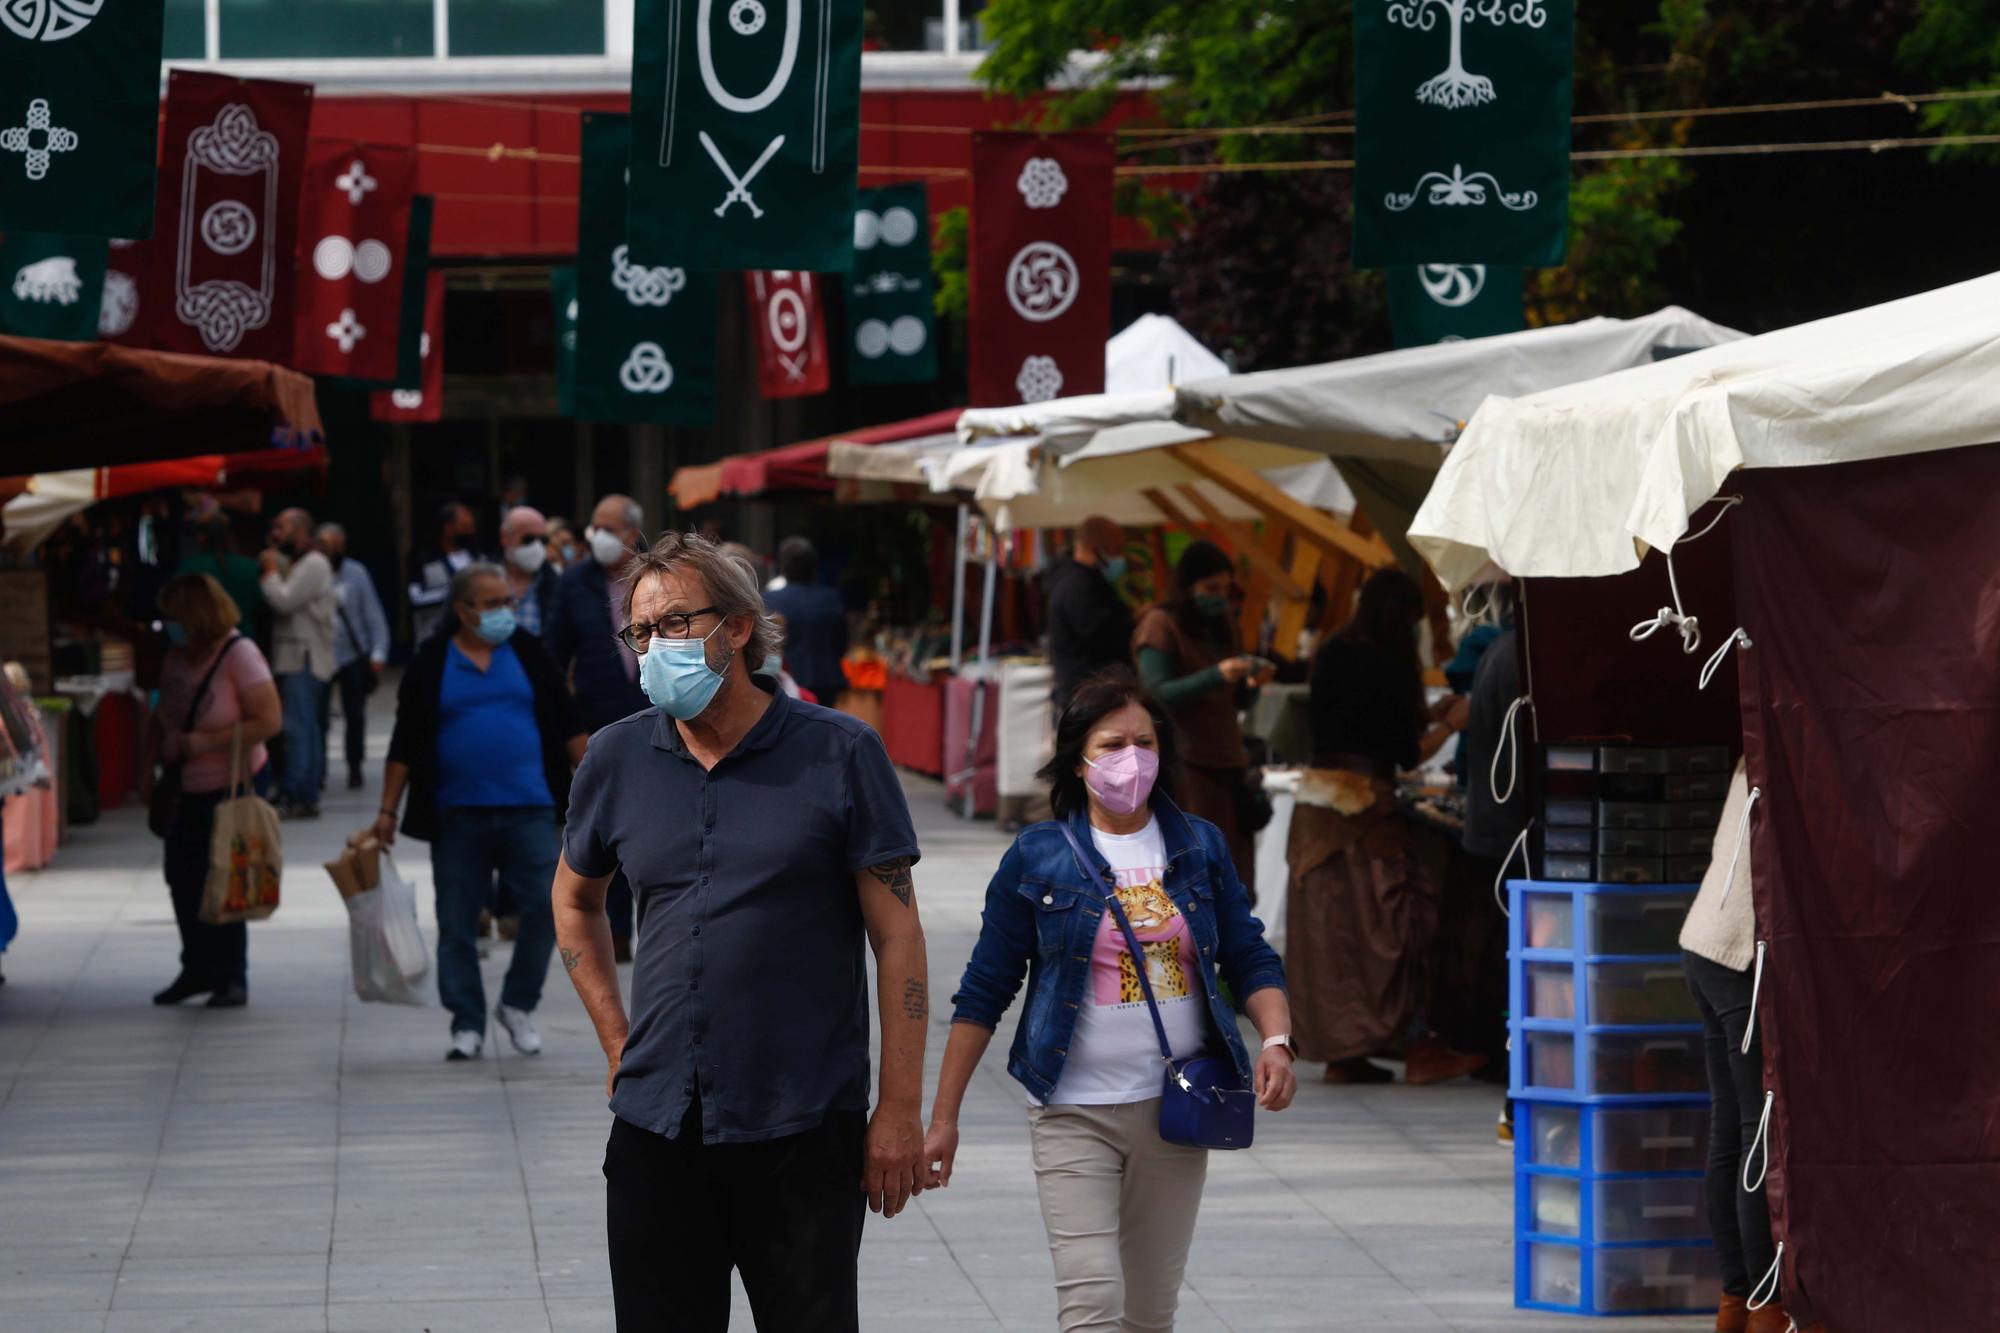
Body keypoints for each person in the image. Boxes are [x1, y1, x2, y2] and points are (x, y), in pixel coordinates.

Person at [550, 531, 929, 1331]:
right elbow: (574, 898)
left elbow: (897, 936)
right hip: (657, 1122)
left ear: (740, 627)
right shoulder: (617, 757)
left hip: (801, 1124)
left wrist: (897, 1106)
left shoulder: (839, 752)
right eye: (641, 632)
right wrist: (618, 1041)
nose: (654, 648)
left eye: (674, 624)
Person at [929, 669, 1296, 1332]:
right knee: (1093, 1303)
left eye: (1145, 741)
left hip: (1178, 1109)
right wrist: (944, 1117)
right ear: (1080, 757)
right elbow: (985, 988)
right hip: (1073, 1111)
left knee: (1150, 1313)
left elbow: (1249, 954)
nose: (1132, 758)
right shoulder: (1037, 857)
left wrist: (1275, 1039)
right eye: (1113, 743)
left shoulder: (1200, 846)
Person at [375, 564, 587, 1061]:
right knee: (457, 922)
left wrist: (603, 783)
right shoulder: (432, 661)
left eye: (507, 603)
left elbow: (568, 722)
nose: (503, 613)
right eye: (492, 604)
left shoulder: (530, 652)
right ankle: (466, 1021)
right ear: (463, 610)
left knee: (546, 906)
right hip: (457, 813)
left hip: (530, 807)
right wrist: (387, 810)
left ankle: (517, 1002)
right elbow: (404, 741)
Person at [1288, 567, 1470, 1085]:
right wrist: (1451, 725)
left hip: (1316, 808)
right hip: (1365, 811)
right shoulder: (1384, 658)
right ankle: (1411, 1046)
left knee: (1335, 940)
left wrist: (1426, 716)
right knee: (1392, 930)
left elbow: (1361, 722)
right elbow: (1404, 752)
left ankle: (1346, 1052)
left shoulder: (1336, 648)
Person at [1681, 766, 1803, 1333]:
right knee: (1757, 1135)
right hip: (1738, 955)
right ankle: (1766, 1309)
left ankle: (1736, 1306)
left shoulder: (1758, 737)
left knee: (1731, 1132)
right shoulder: (1793, 734)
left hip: (1706, 940)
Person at [148, 574, 282, 1009]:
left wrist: (208, 742)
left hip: (231, 782)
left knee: (225, 875)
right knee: (182, 877)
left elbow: (269, 720)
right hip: (183, 783)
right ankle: (196, 967)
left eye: (175, 618)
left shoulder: (238, 655)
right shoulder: (177, 656)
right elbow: (163, 712)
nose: (169, 626)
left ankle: (231, 975)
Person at [1131, 540, 1273, 894]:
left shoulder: (1223, 625)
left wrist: (1250, 683)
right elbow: (1156, 694)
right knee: (1192, 869)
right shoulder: (1160, 625)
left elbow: (1231, 700)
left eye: (1225, 589)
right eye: (1211, 588)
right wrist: (1217, 675)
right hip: (1185, 763)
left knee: (1231, 873)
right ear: (1187, 585)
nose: (1219, 597)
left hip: (1228, 761)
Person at [544, 493, 650, 959]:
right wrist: (570, 730)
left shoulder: (654, 578)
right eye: (595, 527)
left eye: (607, 528)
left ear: (632, 533)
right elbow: (554, 658)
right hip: (595, 724)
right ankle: (611, 927)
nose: (597, 536)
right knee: (605, 825)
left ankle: (638, 926)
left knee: (648, 823)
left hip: (654, 716)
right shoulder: (574, 584)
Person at [259, 509, 339, 820]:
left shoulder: (314, 563)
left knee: (299, 728)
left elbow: (284, 598)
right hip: (298, 655)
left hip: (303, 658)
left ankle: (296, 792)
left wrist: (268, 572)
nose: (276, 532)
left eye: (282, 526)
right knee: (307, 727)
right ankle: (304, 791)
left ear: (301, 530)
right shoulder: (303, 561)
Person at [318, 523, 390, 792]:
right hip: (321, 654)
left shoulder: (357, 573)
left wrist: (378, 650)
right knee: (318, 715)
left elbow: (373, 615)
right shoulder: (312, 571)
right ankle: (318, 768)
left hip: (351, 655)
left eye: (334, 545)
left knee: (355, 714)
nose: (329, 551)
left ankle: (355, 765)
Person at [1044, 515, 1134, 712]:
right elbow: (1103, 637)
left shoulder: (1081, 581)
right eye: (1116, 549)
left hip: (1092, 695)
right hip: (1089, 699)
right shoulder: (1078, 588)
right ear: (1096, 549)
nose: (1121, 557)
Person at [761, 535, 848, 709]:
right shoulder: (831, 598)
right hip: (826, 679)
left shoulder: (769, 600)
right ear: (814, 566)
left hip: (784, 681)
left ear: (783, 566)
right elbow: (841, 642)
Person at [175, 515, 265, 640]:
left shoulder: (190, 566)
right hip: (242, 637)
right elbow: (258, 602)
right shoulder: (249, 566)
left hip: (202, 641)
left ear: (201, 537)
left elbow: (177, 604)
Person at [408, 502, 482, 643]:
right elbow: (415, 599)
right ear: (448, 528)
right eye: (465, 526)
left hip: (474, 642)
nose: (471, 532)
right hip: (435, 642)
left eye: (472, 527)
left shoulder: (479, 559)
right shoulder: (425, 561)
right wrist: (452, 593)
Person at [499, 505, 560, 636]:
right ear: (505, 538)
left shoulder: (557, 585)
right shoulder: (484, 580)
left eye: (543, 540)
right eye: (528, 539)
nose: (536, 547)